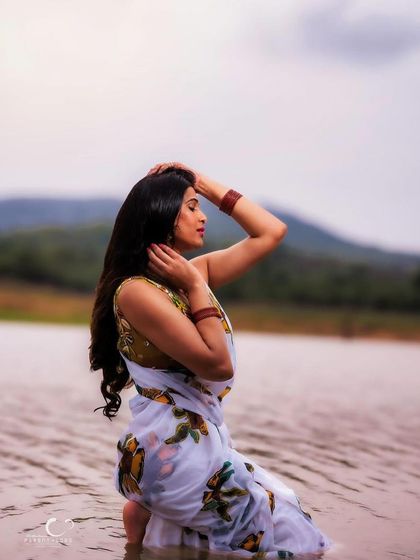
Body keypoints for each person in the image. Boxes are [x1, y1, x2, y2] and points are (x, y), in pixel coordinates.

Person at [89, 162, 331, 558]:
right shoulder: (137, 292)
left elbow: (271, 232)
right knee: (290, 536)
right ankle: (146, 513)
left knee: (279, 514)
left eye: (201, 205)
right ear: (164, 216)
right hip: (173, 450)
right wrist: (196, 288)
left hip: (195, 444)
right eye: (191, 206)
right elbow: (217, 364)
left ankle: (144, 516)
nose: (203, 216)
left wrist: (200, 181)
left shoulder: (188, 276)